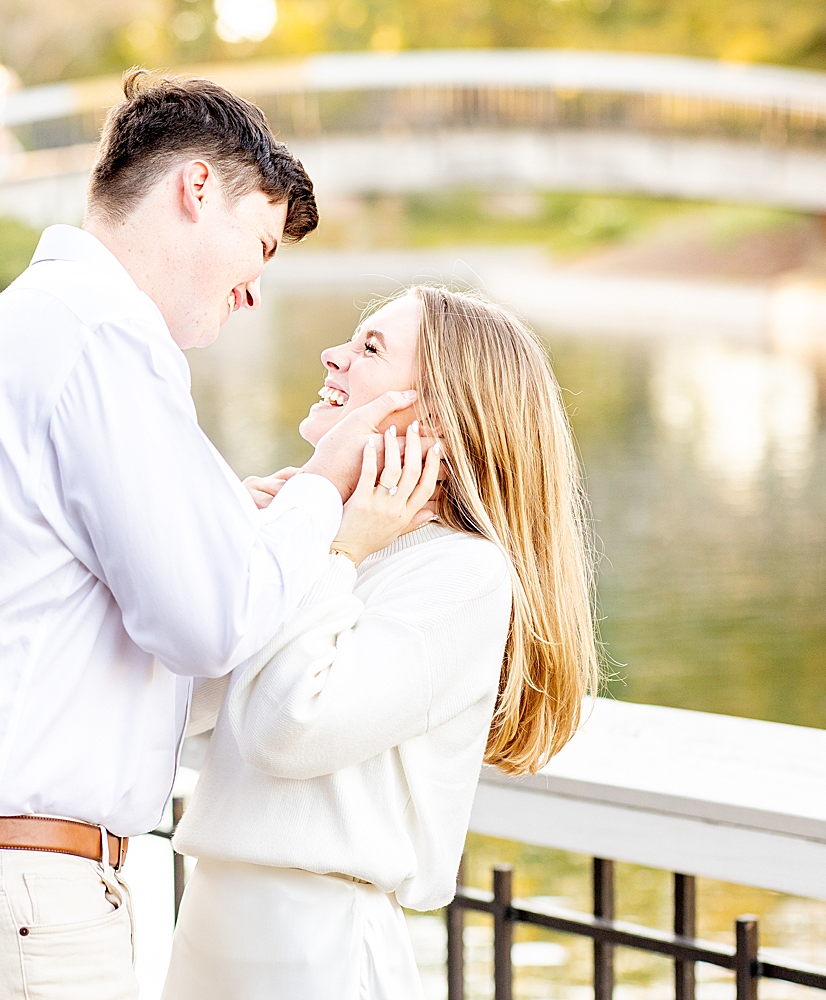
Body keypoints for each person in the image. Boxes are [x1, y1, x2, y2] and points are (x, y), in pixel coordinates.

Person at [0, 70, 418, 1000]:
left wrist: (236, 524)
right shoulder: (104, 339)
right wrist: (325, 493)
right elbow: (205, 625)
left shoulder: (9, 332)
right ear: (197, 189)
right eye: (258, 245)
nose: (254, 290)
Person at [163, 286, 602, 999]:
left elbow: (286, 729)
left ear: (435, 415)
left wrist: (332, 553)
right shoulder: (342, 540)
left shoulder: (459, 571)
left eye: (369, 348)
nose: (332, 356)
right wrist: (257, 549)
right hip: (218, 925)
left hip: (315, 949)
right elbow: (182, 705)